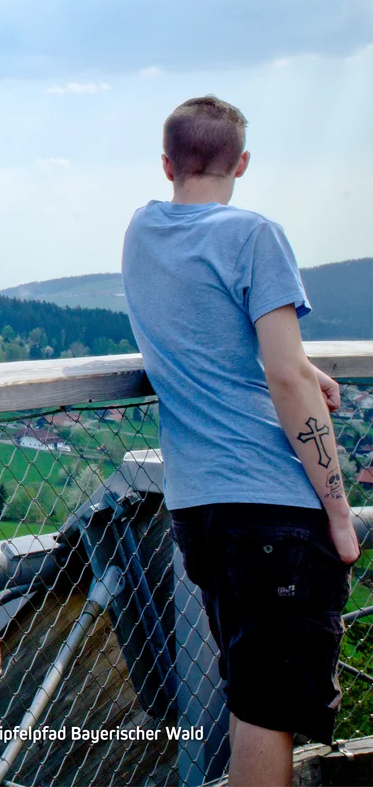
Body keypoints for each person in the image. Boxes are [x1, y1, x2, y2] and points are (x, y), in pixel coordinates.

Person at [123, 95, 356, 787]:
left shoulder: (142, 231)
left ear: (166, 164)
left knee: (248, 688)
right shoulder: (255, 235)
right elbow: (284, 376)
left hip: (199, 507)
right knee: (268, 707)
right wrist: (339, 511)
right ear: (243, 163)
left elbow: (206, 327)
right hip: (274, 507)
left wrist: (302, 369)